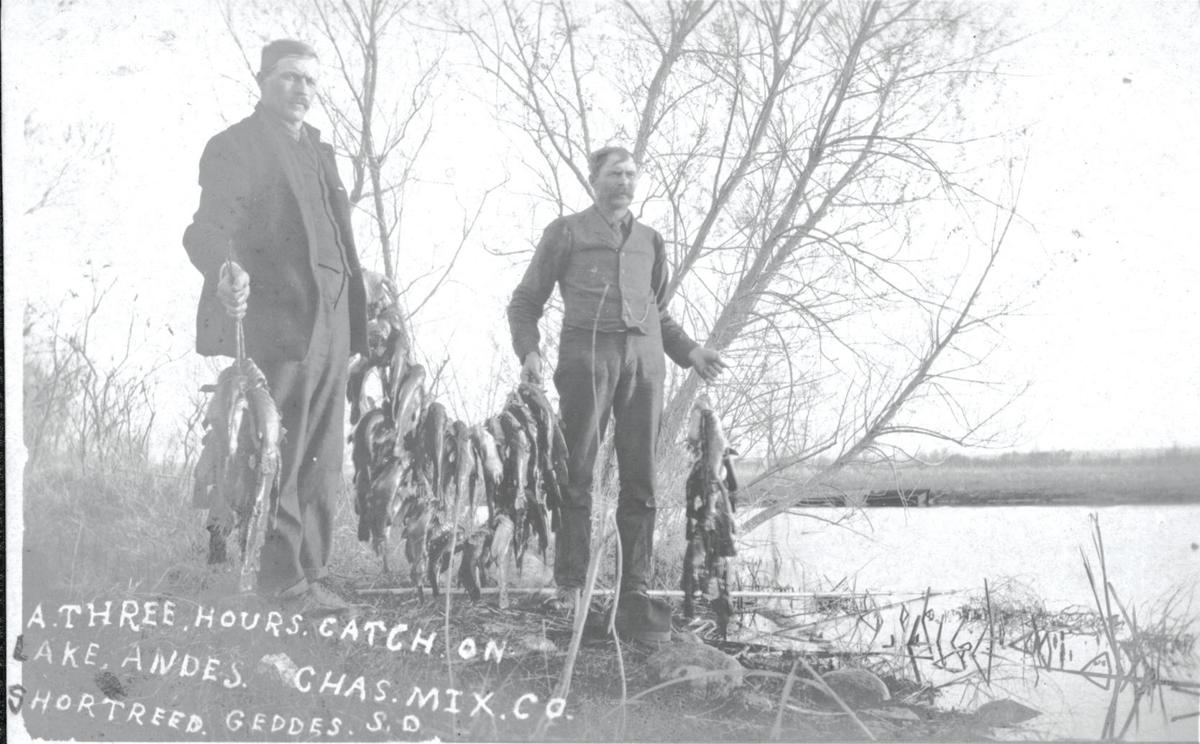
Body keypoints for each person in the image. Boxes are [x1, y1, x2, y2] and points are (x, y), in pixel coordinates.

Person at [507, 146, 726, 641]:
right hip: (587, 361)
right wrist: (530, 354)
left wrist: (691, 352)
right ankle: (571, 589)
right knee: (576, 475)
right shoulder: (566, 232)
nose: (624, 182)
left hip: (645, 367)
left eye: (631, 174)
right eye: (614, 174)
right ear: (593, 179)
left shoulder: (651, 240)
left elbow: (657, 313)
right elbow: (524, 304)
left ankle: (635, 591)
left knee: (641, 481)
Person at [183, 39, 368, 615]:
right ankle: (277, 581)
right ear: (263, 80)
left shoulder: (321, 151)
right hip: (277, 319)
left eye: (312, 82)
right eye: (290, 78)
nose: (302, 90)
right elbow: (205, 229)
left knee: (323, 453)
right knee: (277, 449)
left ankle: (309, 575)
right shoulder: (235, 146)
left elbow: (330, 236)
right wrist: (224, 267)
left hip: (334, 319)